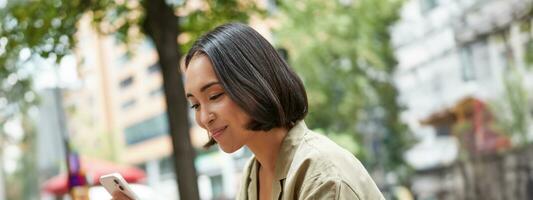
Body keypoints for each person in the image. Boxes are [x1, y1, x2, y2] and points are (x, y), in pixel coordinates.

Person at [113, 23, 384, 200]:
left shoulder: (322, 175)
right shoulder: (253, 174)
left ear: (253, 84)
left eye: (215, 95)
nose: (204, 117)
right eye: (195, 104)